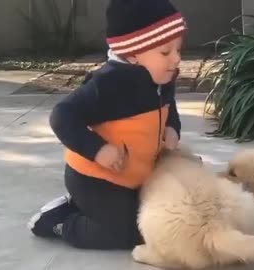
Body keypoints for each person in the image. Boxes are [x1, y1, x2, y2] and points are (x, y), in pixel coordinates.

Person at [27, 0, 187, 250]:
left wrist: (172, 127)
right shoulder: (108, 84)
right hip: (95, 178)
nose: (176, 59)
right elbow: (62, 116)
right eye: (166, 52)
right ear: (133, 54)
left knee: (161, 218)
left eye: (178, 49)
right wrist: (98, 150)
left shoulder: (162, 76)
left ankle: (85, 205)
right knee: (129, 234)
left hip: (132, 174)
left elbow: (169, 105)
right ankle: (60, 222)